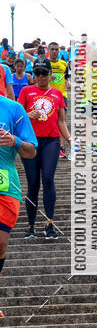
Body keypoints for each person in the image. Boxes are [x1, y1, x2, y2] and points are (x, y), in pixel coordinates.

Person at [18, 57, 71, 239]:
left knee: (48, 179)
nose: (40, 77)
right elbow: (17, 118)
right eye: (37, 73)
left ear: (50, 75)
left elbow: (61, 120)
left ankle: (49, 224)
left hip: (51, 141)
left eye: (43, 73)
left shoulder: (57, 94)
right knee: (33, 183)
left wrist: (70, 138)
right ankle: (31, 226)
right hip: (30, 143)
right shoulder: (26, 91)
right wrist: (27, 114)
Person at [0, 94, 37, 277]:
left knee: (0, 244)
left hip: (5, 186)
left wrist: (16, 141)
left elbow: (31, 151)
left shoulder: (14, 109)